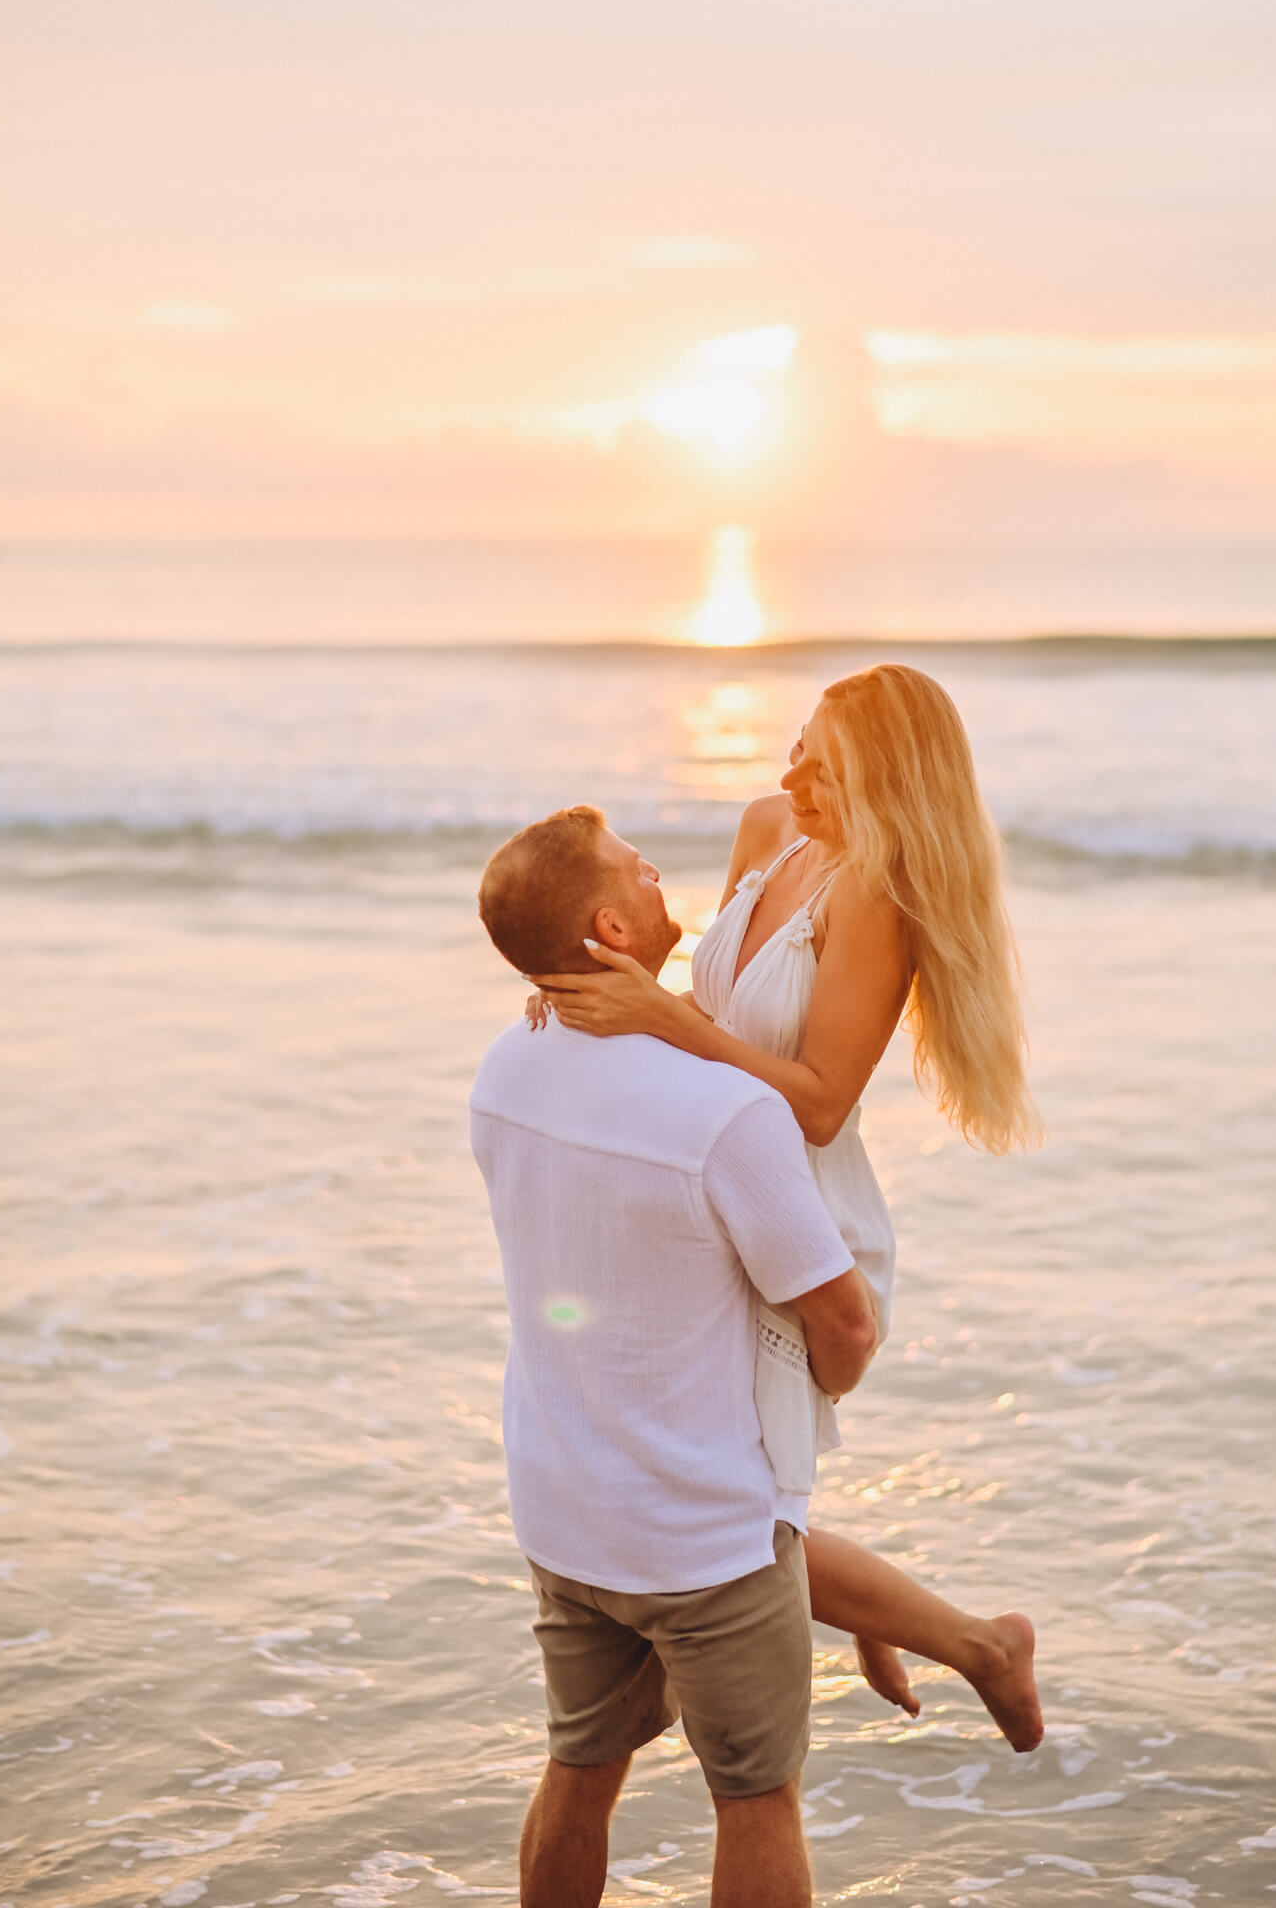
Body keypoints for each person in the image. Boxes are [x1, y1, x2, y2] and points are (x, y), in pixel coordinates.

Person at [529, 663, 1045, 1752]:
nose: (789, 777)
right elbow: (710, 1012)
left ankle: (974, 1644)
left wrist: (656, 1018)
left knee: (730, 1517)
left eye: (822, 767)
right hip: (711, 1198)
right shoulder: (768, 827)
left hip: (801, 1214)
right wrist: (590, 993)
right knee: (722, 1503)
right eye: (797, 746)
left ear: (884, 781)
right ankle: (951, 1637)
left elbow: (814, 1104)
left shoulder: (877, 894)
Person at [471, 805, 881, 1908]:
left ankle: (969, 1644)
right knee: (755, 1797)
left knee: (578, 1769)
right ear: (610, 927)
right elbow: (843, 1324)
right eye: (639, 868)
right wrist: (821, 1395)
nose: (661, 874)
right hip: (701, 1536)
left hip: (563, 1511)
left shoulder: (504, 1066)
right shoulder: (725, 1111)